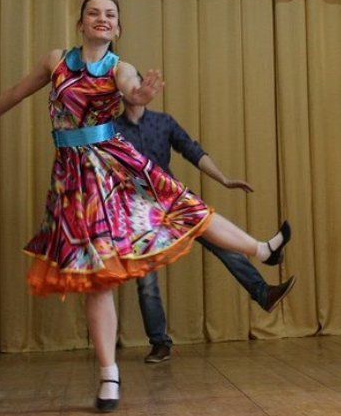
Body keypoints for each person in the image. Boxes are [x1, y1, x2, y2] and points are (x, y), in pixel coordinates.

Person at [0, 0, 292, 411]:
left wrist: (139, 95)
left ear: (117, 28)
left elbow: (131, 90)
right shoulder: (56, 61)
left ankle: (262, 250)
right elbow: (17, 91)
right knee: (98, 276)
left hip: (115, 163)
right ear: (81, 23)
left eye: (110, 15)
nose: (102, 19)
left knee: (184, 207)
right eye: (94, 13)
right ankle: (109, 376)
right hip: (76, 179)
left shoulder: (119, 67)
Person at [113, 98, 296, 364]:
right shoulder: (114, 130)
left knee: (224, 245)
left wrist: (223, 179)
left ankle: (263, 292)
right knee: (147, 282)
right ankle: (160, 344)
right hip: (142, 214)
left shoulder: (163, 122)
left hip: (175, 203)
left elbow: (192, 150)